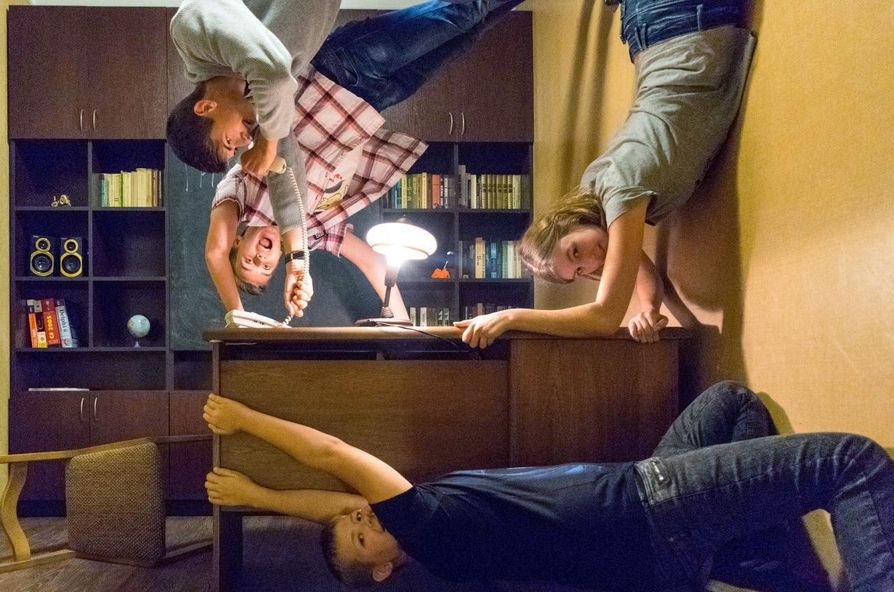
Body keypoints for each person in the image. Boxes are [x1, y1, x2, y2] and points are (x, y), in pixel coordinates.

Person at [203, 382, 894, 591]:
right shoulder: (426, 527)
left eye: (359, 517)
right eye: (362, 536)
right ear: (385, 567)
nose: (362, 516)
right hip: (651, 511)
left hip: (644, 503)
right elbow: (329, 456)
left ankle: (748, 561)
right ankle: (735, 550)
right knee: (853, 463)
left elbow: (338, 504)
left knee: (730, 402)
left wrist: (260, 498)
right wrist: (244, 419)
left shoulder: (422, 534)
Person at [455, 0, 756, 348]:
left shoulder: (619, 193)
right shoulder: (596, 194)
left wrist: (509, 317)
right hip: (656, 31)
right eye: (580, 272)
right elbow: (643, 274)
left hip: (681, 20)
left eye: (575, 252)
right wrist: (649, 309)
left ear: (567, 221)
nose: (591, 261)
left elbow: (604, 317)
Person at [204, 1, 524, 315]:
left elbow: (215, 253)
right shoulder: (310, 234)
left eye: (249, 260)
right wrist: (404, 326)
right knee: (469, 34)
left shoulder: (243, 190)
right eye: (265, 267)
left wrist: (237, 316)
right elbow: (373, 262)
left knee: (463, 12)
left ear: (237, 242)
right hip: (375, 101)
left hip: (342, 69)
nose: (261, 258)